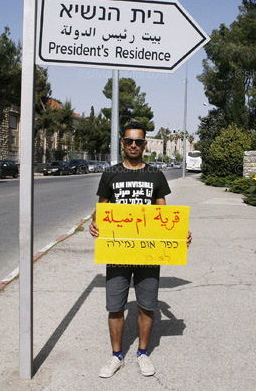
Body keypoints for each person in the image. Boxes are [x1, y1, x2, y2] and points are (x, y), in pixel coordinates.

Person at [89, 121, 192, 378]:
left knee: (147, 305)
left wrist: (178, 234)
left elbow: (164, 212)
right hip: (117, 251)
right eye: (128, 141)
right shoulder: (111, 174)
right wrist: (94, 223)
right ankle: (116, 356)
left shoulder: (155, 174)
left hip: (148, 252)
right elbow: (101, 210)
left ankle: (143, 354)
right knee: (115, 305)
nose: (133, 145)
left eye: (138, 141)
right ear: (122, 144)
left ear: (145, 145)